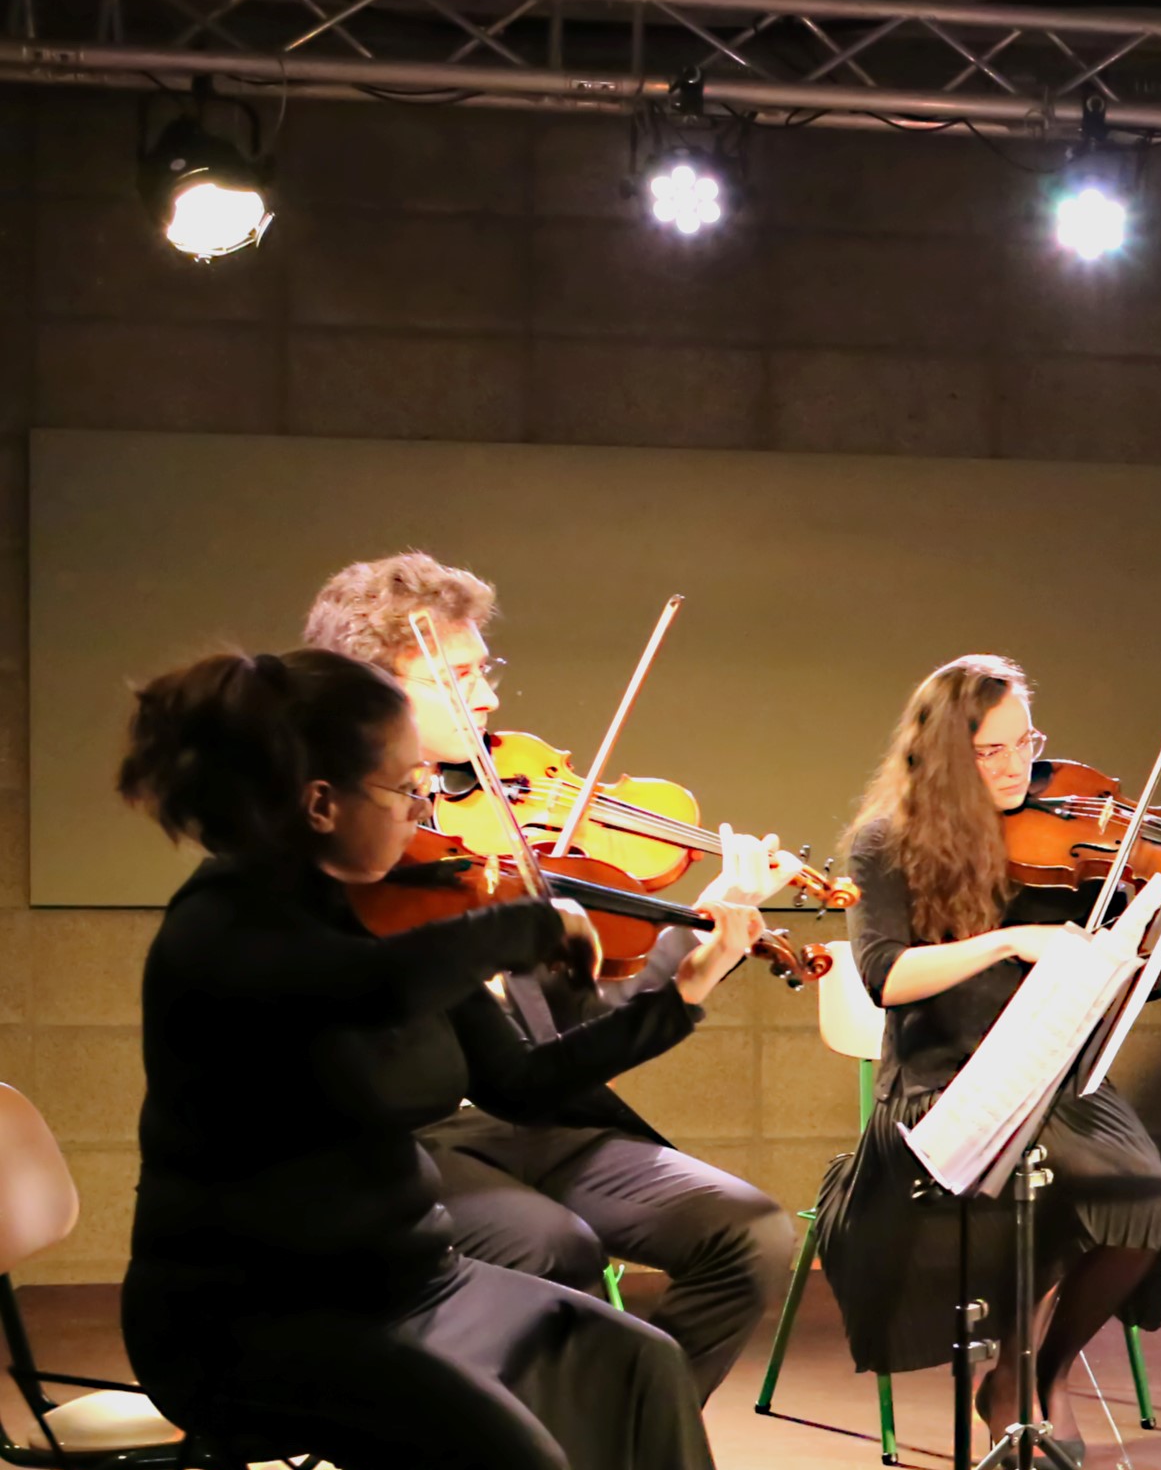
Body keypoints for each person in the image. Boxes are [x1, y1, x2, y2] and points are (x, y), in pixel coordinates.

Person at [115, 648, 797, 1470]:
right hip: (255, 1318)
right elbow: (358, 993)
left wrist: (680, 989)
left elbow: (527, 1079)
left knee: (635, 1366)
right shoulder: (223, 931)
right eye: (406, 787)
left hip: (410, 1281)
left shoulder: (383, 911)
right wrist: (526, 917)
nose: (426, 808)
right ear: (320, 801)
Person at [303, 551, 800, 1402]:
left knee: (752, 1232)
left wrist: (697, 952)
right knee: (550, 1245)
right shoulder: (336, 846)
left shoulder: (493, 843)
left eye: (483, 670)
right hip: (402, 1143)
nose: (488, 697)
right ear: (372, 697)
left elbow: (562, 1052)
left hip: (530, 1117)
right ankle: (568, 1464)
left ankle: (633, 1437)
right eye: (456, 676)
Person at [823, 653, 1161, 1455]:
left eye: (1027, 743)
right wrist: (1009, 939)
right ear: (946, 754)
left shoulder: (1068, 842)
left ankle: (1037, 1371)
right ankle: (1013, 1367)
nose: (1020, 766)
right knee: (1050, 1184)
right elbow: (885, 977)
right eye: (993, 751)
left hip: (1058, 1073)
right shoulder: (889, 842)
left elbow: (1146, 977)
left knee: (1143, 1197)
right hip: (946, 1080)